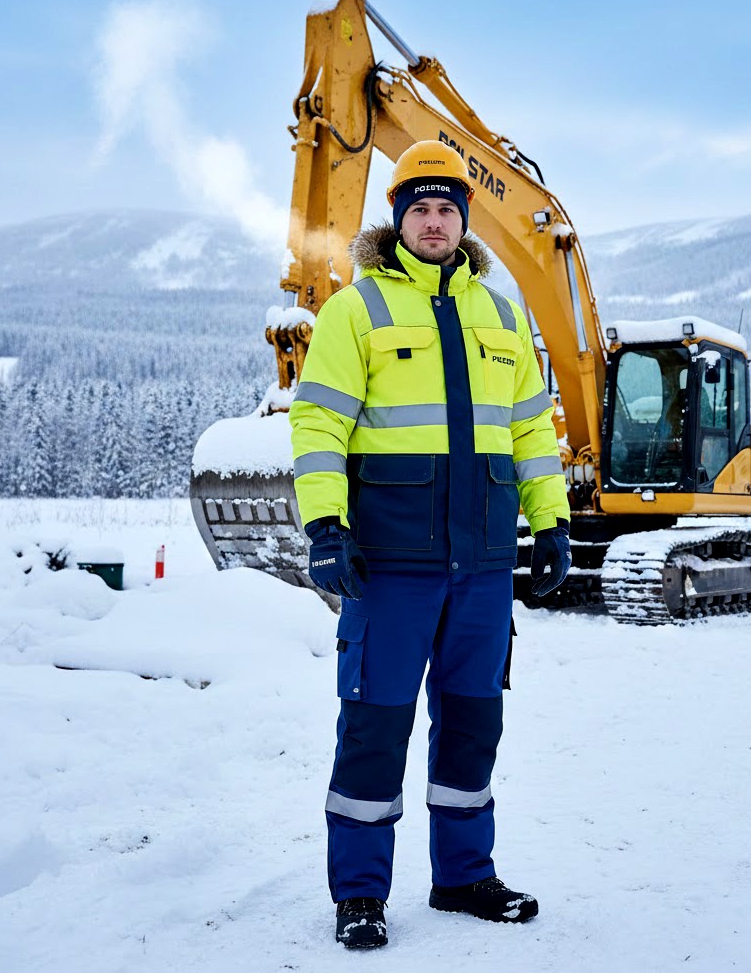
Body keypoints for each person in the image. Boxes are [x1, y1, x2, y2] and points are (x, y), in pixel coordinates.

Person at [289, 140, 572, 949]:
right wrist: (325, 527)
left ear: (466, 219)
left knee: (474, 724)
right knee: (375, 728)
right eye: (420, 207)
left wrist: (549, 523)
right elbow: (318, 425)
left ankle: (463, 877)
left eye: (448, 207)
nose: (435, 221)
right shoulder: (358, 308)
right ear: (398, 220)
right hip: (392, 564)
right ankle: (360, 895)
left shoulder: (503, 313)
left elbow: (530, 432)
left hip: (481, 565)